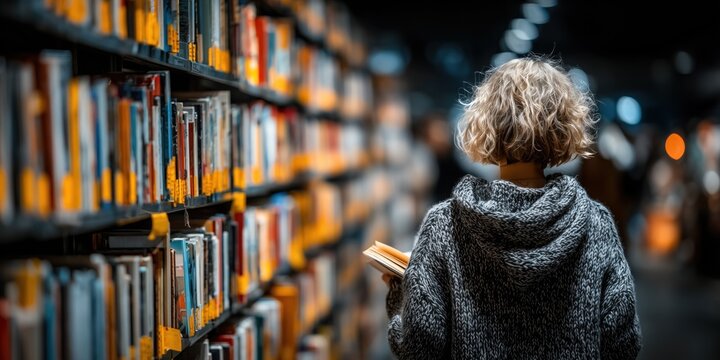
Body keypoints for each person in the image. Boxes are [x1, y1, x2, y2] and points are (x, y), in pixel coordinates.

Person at [383, 56, 642, 359]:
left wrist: (400, 292)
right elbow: (623, 344)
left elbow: (419, 348)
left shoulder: (445, 226)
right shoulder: (595, 224)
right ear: (564, 128)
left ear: (485, 123)